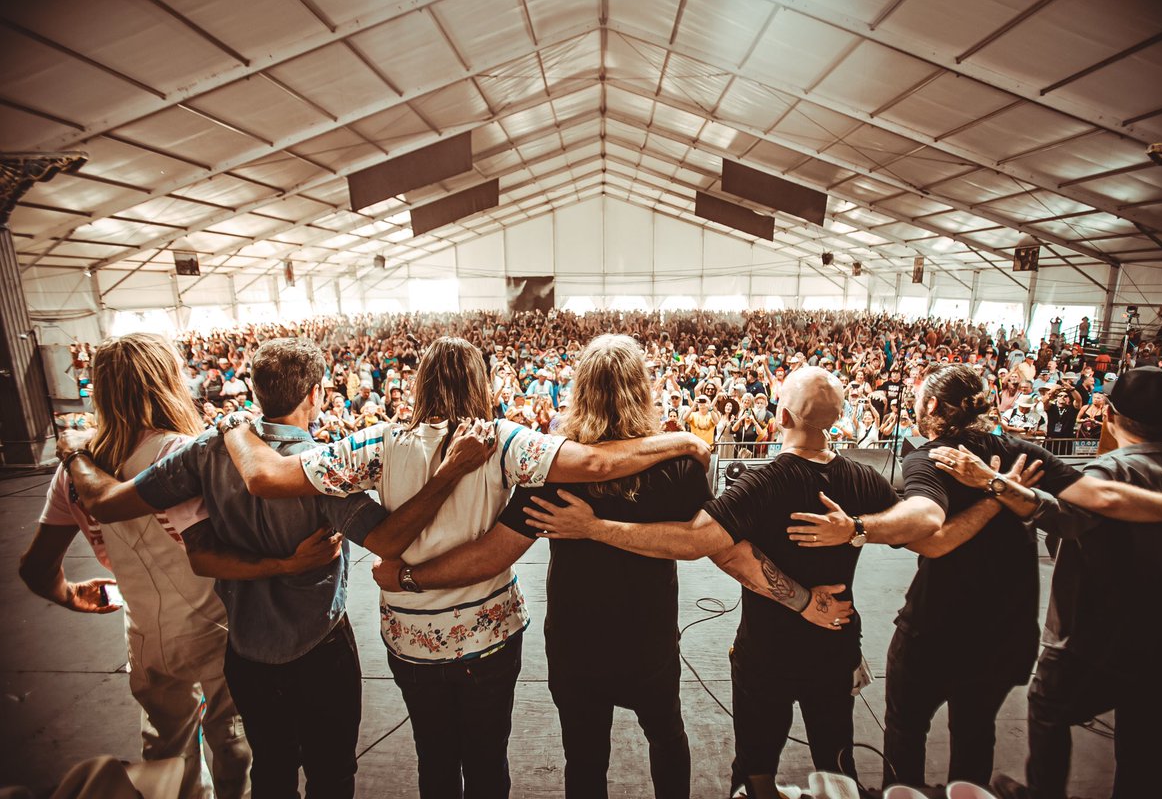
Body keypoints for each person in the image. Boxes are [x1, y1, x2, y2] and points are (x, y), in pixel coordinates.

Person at [214, 336, 713, 799]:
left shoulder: (378, 444)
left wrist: (234, 426)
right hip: (498, 636)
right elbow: (598, 466)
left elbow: (265, 476)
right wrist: (683, 442)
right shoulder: (504, 442)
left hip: (414, 637)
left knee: (437, 758)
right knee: (493, 759)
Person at [365, 337, 844, 799]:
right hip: (648, 640)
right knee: (667, 738)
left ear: (580, 392)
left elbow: (494, 553)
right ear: (643, 390)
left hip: (576, 644)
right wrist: (802, 601)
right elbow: (726, 551)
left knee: (585, 758)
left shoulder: (553, 470)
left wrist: (410, 580)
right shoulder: (677, 467)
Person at [55, 337, 498, 799]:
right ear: (315, 394)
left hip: (246, 652)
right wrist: (447, 473)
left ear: (254, 387)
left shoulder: (206, 451)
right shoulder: (321, 466)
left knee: (270, 770)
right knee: (331, 773)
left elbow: (111, 507)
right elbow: (388, 541)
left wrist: (74, 453)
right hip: (320, 649)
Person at [787, 363, 1162, 790]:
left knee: (906, 729)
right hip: (1008, 632)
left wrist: (857, 528)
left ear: (931, 404)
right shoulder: (1021, 453)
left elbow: (933, 538)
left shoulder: (933, 458)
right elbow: (1104, 497)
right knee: (976, 734)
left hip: (937, 627)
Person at [526, 366, 898, 795]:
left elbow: (701, 542)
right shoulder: (864, 478)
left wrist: (593, 526)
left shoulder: (761, 484)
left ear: (783, 416)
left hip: (756, 655)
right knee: (835, 764)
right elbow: (921, 523)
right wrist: (856, 529)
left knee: (748, 768)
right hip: (830, 644)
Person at [934, 368, 1162, 799]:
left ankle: (1042, 792)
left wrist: (993, 482)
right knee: (1150, 745)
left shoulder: (1110, 473)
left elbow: (1062, 522)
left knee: (1048, 708)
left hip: (1098, 638)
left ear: (1110, 416)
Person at [20, 333, 252, 799]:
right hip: (217, 623)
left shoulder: (75, 471)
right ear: (166, 380)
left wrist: (70, 594)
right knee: (234, 738)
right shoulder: (187, 451)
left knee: (166, 751)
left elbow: (36, 569)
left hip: (145, 632)